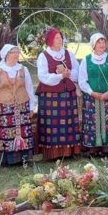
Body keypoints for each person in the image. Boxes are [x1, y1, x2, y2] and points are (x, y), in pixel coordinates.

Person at [35, 27, 81, 160]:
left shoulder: (68, 54)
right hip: (50, 96)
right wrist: (60, 76)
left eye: (61, 37)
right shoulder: (44, 56)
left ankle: (69, 151)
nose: (60, 39)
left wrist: (69, 74)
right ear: (50, 40)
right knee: (52, 124)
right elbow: (42, 76)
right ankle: (53, 153)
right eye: (57, 37)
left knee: (68, 121)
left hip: (67, 94)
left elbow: (77, 70)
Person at [0, 44, 35, 165]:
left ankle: (23, 157)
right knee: (6, 133)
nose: (17, 55)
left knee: (23, 131)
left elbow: (29, 88)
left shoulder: (23, 69)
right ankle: (8, 159)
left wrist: (31, 106)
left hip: (22, 105)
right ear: (7, 55)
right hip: (4, 106)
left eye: (18, 52)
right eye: (14, 52)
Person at [78, 33, 108, 155]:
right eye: (99, 42)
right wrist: (91, 92)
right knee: (92, 122)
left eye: (103, 42)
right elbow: (82, 80)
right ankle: (93, 147)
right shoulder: (86, 60)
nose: (102, 44)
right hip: (91, 98)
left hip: (107, 96)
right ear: (93, 45)